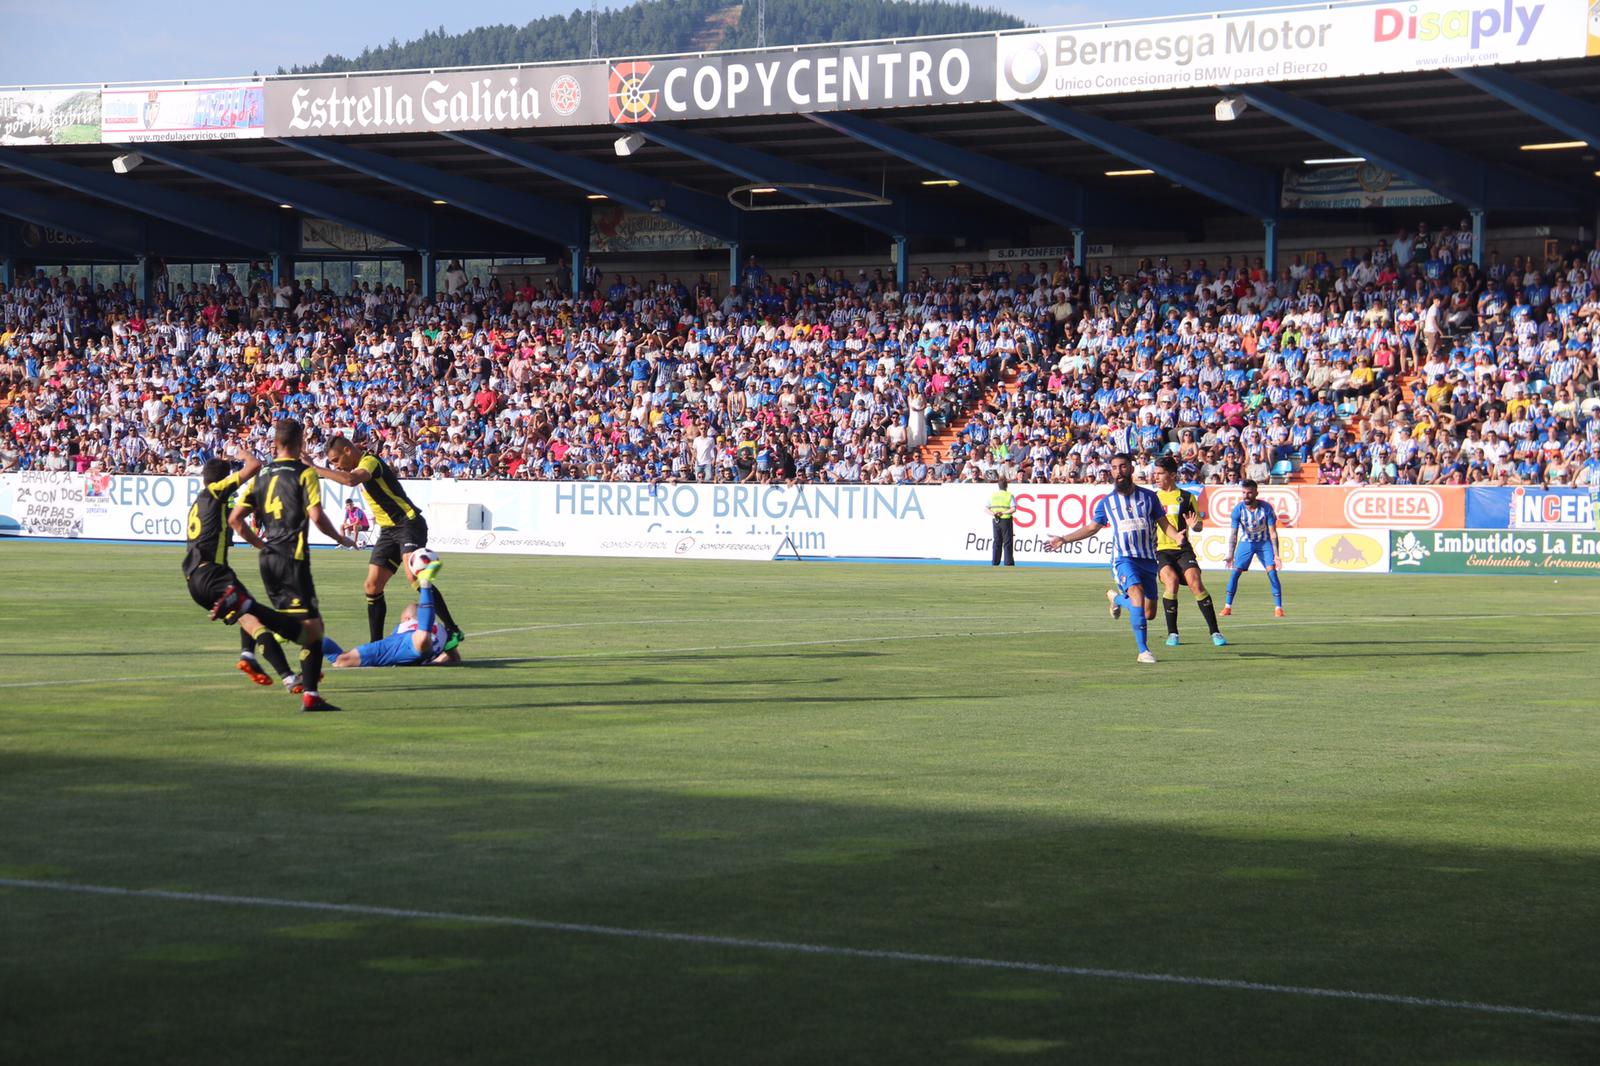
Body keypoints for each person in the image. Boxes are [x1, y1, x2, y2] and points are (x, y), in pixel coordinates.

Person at [227, 418, 355, 712]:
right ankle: (309, 695)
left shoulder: (261, 476)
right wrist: (341, 538)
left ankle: (306, 690)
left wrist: (261, 545)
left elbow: (235, 519)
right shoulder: (303, 473)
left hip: (268, 558)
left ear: (275, 442)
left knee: (307, 626)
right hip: (292, 558)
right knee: (312, 631)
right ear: (302, 442)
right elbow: (317, 517)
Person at [182, 442, 310, 694]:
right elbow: (254, 466)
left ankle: (252, 658)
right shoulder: (216, 491)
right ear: (222, 479)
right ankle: (286, 675)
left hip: (194, 580)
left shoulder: (197, 502)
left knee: (248, 618)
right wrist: (241, 453)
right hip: (213, 573)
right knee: (256, 615)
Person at [313, 434, 462, 649]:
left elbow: (351, 480)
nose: (336, 466)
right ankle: (376, 644)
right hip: (388, 530)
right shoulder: (358, 465)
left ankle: (453, 629)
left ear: (347, 450)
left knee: (414, 576)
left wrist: (316, 469)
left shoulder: (369, 462)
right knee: (372, 586)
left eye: (336, 461)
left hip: (408, 523)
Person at [1047, 453, 1179, 664]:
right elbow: (1092, 528)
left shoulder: (1149, 497)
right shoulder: (1107, 502)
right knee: (1136, 594)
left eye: (1123, 467)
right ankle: (1143, 651)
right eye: (1115, 468)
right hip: (1124, 559)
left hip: (1148, 560)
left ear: (1131, 469)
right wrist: (1064, 538)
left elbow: (1163, 523)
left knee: (1149, 612)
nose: (1119, 472)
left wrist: (1176, 535)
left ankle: (1116, 599)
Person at [324, 555, 459, 668]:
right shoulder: (442, 631)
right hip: (421, 647)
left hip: (405, 645)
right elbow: (454, 657)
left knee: (341, 660)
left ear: (407, 618)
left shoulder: (405, 627)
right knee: (423, 638)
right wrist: (432, 661)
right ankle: (425, 584)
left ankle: (312, 637)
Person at [1152, 456, 1227, 647]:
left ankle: (1215, 632)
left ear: (1172, 475)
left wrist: (1196, 526)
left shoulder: (1186, 497)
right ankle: (1173, 634)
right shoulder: (1153, 498)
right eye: (1155, 473)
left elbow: (1198, 525)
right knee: (1172, 582)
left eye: (1160, 473)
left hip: (1183, 549)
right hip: (1161, 550)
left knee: (1196, 583)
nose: (1156, 477)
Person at [1223, 479, 1285, 617]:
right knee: (1235, 573)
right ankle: (1227, 607)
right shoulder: (1238, 510)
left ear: (1256, 493)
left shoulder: (1266, 508)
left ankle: (1278, 608)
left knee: (1272, 572)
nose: (1246, 496)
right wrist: (1230, 554)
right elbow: (1233, 534)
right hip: (1246, 542)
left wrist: (1276, 555)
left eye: (1249, 493)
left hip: (1264, 542)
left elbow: (1273, 532)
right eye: (1244, 492)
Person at [987, 476, 1017, 566]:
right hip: (1006, 519)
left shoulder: (993, 495)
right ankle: (1008, 562)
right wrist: (1003, 512)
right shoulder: (1009, 495)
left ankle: (995, 562)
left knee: (997, 541)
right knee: (1007, 542)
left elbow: (985, 508)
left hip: (996, 520)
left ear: (998, 485)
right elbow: (1013, 509)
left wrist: (994, 513)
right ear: (1006, 485)